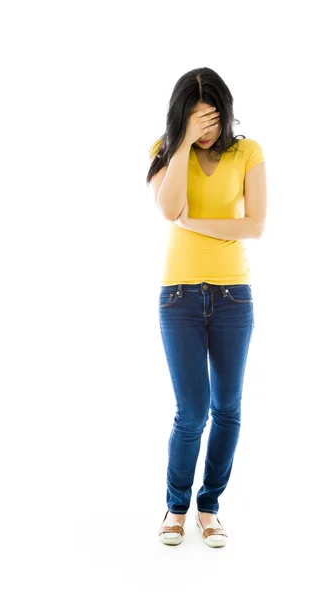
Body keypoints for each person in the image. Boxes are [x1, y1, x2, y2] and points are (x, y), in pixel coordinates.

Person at [146, 67, 267, 547]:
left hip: (234, 294)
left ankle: (209, 506)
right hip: (178, 296)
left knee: (229, 409)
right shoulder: (164, 150)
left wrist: (194, 222)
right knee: (191, 412)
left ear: (227, 113)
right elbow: (167, 205)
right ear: (182, 117)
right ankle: (176, 508)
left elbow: (255, 226)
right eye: (196, 119)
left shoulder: (248, 152)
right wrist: (180, 143)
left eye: (212, 119)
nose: (206, 129)